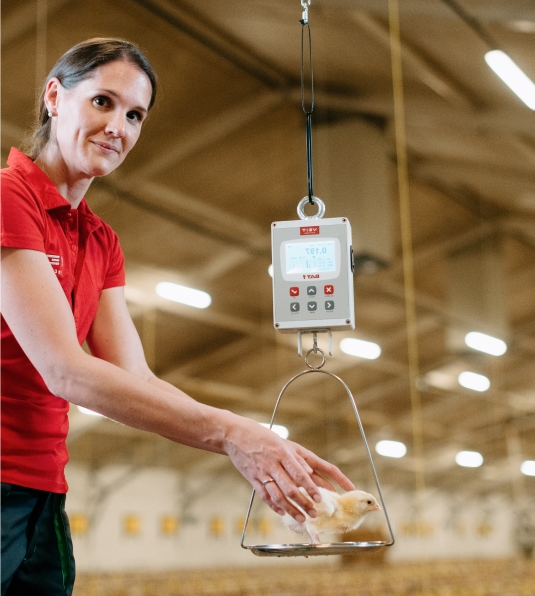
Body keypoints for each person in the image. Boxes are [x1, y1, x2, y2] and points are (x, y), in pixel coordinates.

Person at [0, 38, 354, 595]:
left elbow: (136, 378)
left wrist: (255, 444)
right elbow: (64, 370)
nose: (119, 126)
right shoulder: (8, 199)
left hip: (42, 488)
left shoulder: (100, 241)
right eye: (103, 102)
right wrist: (233, 435)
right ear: (53, 96)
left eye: (135, 114)